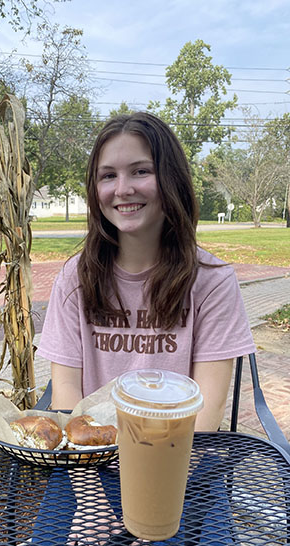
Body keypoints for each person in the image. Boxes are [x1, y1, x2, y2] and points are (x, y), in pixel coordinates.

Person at [37, 111, 255, 431]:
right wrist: (87, 473)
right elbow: (67, 390)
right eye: (108, 175)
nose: (123, 189)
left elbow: (206, 412)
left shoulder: (213, 282)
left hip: (181, 459)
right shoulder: (75, 278)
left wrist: (155, 479)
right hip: (91, 460)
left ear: (171, 179)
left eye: (140, 171)